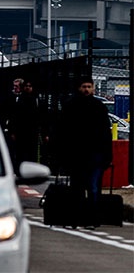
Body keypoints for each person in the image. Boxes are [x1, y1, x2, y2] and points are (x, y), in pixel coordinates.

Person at [58, 77, 112, 228]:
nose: (87, 89)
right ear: (79, 88)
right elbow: (64, 132)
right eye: (84, 86)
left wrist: (107, 155)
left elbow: (105, 133)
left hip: (94, 155)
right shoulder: (71, 106)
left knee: (93, 189)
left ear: (93, 88)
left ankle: (91, 220)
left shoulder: (99, 107)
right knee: (78, 189)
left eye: (89, 86)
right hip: (78, 155)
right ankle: (77, 219)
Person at [9, 80, 48, 168]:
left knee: (32, 154)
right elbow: (14, 116)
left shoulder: (37, 100)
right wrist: (13, 131)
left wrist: (44, 132)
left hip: (33, 132)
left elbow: (42, 117)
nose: (28, 87)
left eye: (30, 86)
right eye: (26, 86)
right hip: (21, 132)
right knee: (21, 154)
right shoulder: (19, 99)